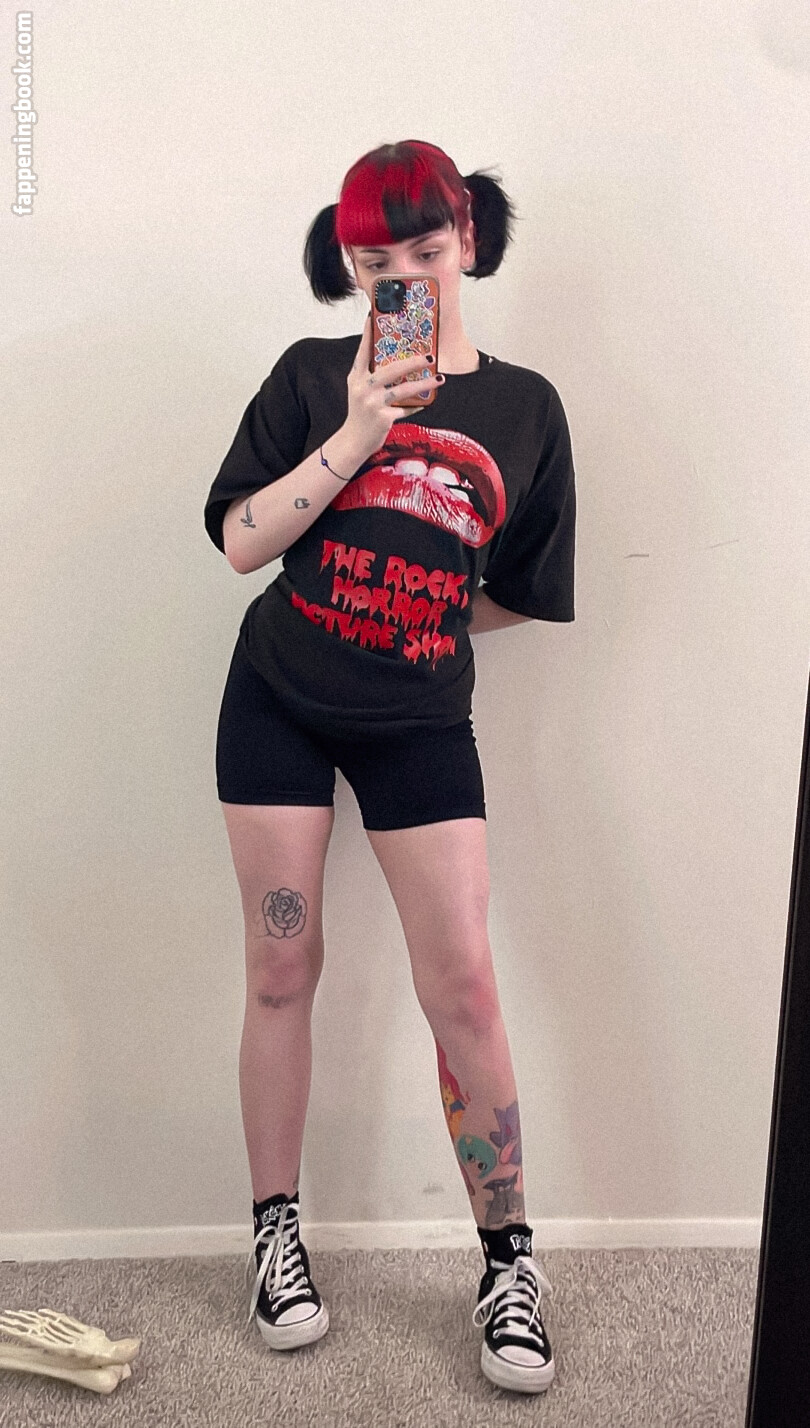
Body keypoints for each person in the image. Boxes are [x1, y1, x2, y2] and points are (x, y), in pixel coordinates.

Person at [203, 139, 576, 1396]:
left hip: (419, 720)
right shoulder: (314, 377)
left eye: (426, 248)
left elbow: (518, 591)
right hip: (278, 704)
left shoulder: (526, 409)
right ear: (349, 263)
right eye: (376, 258)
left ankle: (508, 1259)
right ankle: (275, 1237)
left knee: (463, 983)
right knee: (281, 968)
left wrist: (412, 613)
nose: (406, 275)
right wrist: (361, 428)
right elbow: (240, 541)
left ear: (469, 239)